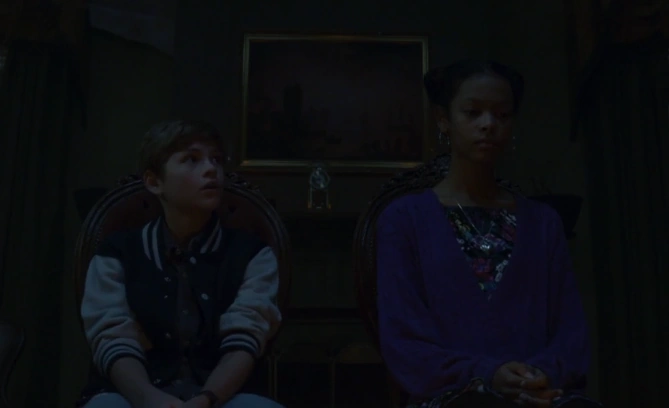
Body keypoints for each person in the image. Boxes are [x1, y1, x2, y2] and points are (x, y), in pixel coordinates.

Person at [375, 60, 602, 408]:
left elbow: (570, 335)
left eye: (502, 115)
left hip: (537, 396)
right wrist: (487, 375)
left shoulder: (543, 223)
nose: (488, 124)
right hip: (452, 398)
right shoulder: (404, 220)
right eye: (473, 112)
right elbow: (404, 343)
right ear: (443, 120)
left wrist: (535, 375)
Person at [77, 120, 284, 408]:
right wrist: (150, 399)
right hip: (135, 395)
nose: (211, 169)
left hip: (223, 396)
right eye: (191, 159)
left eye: (216, 159)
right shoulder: (116, 253)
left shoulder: (252, 254)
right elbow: (114, 339)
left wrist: (207, 398)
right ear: (154, 182)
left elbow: (245, 340)